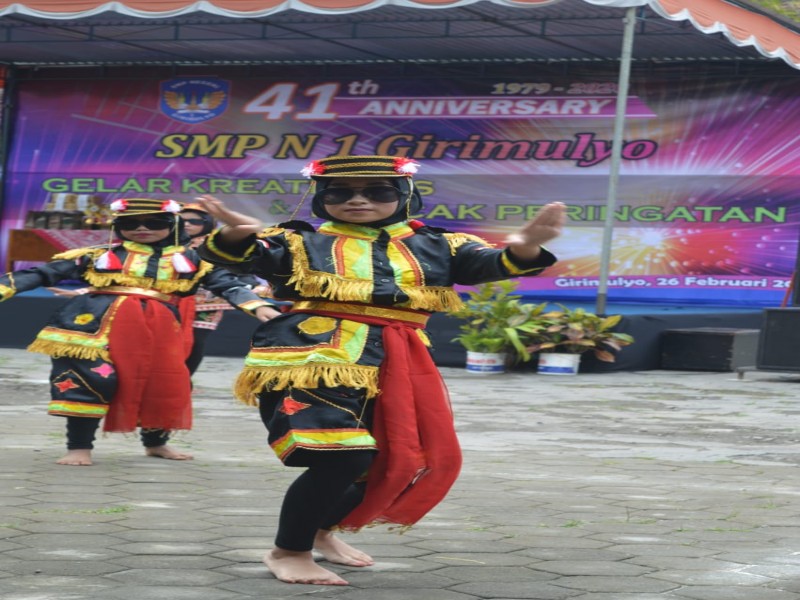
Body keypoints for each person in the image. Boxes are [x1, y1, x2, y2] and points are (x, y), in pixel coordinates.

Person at [195, 155, 566, 586]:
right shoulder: (298, 241)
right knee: (343, 455)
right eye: (340, 192)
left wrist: (526, 246)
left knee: (396, 459)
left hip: (397, 359)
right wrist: (237, 235)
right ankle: (289, 551)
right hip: (314, 359)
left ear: (404, 195)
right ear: (322, 197)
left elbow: (494, 263)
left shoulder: (442, 245)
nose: (358, 200)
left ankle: (320, 531)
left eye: (377, 191)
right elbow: (246, 256)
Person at [0, 197, 280, 466]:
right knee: (92, 381)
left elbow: (228, 285)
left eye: (154, 222)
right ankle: (79, 446)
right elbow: (43, 273)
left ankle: (156, 443)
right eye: (131, 223)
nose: (142, 228)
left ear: (172, 224)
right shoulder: (98, 254)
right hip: (92, 327)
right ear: (118, 226)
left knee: (162, 383)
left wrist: (257, 306)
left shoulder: (193, 260)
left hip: (158, 330)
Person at [180, 202, 277, 375]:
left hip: (208, 302)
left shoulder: (216, 243)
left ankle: (185, 378)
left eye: (195, 221)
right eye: (182, 221)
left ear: (207, 223)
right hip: (175, 301)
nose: (187, 224)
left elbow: (235, 267)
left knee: (196, 341)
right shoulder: (170, 244)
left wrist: (253, 290)